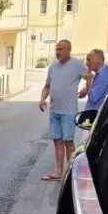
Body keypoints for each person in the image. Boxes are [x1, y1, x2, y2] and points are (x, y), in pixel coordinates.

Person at [38, 39, 92, 181]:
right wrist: (42, 99)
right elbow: (47, 86)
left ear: (69, 50)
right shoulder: (53, 67)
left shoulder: (76, 65)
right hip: (54, 110)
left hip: (69, 111)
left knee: (68, 141)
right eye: (57, 49)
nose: (58, 52)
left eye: (61, 49)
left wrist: (87, 90)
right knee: (57, 140)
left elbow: (89, 77)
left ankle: (72, 173)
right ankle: (59, 172)